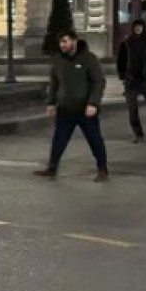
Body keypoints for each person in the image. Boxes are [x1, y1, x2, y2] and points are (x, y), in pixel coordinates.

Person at [35, 29, 109, 182]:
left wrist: (93, 103)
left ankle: (102, 169)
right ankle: (52, 167)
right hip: (65, 108)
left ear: (74, 41)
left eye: (65, 41)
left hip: (85, 109)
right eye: (61, 42)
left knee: (95, 140)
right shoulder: (58, 60)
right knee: (59, 139)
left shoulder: (88, 59)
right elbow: (54, 83)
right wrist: (51, 102)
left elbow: (99, 82)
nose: (62, 45)